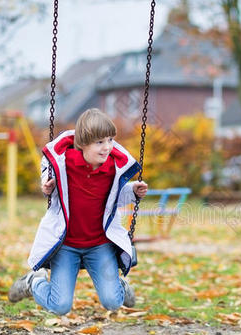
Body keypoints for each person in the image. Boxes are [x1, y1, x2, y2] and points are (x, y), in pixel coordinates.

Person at [8, 108, 148, 315]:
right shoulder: (65, 164)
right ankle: (33, 282)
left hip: (99, 244)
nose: (107, 147)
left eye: (110, 140)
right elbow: (50, 175)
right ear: (82, 143)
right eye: (99, 142)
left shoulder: (113, 168)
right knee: (59, 306)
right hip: (67, 245)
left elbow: (113, 198)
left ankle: (120, 286)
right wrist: (48, 186)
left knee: (112, 302)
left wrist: (132, 192)